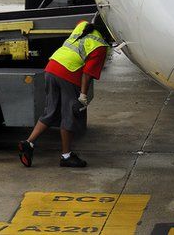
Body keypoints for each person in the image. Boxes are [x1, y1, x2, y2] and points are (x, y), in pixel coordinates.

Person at [19, 15, 110, 168]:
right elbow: (87, 74)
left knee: (51, 112)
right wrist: (82, 95)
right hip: (68, 74)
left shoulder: (82, 25)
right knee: (70, 115)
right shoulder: (100, 46)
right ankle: (66, 156)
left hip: (52, 67)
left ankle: (28, 143)